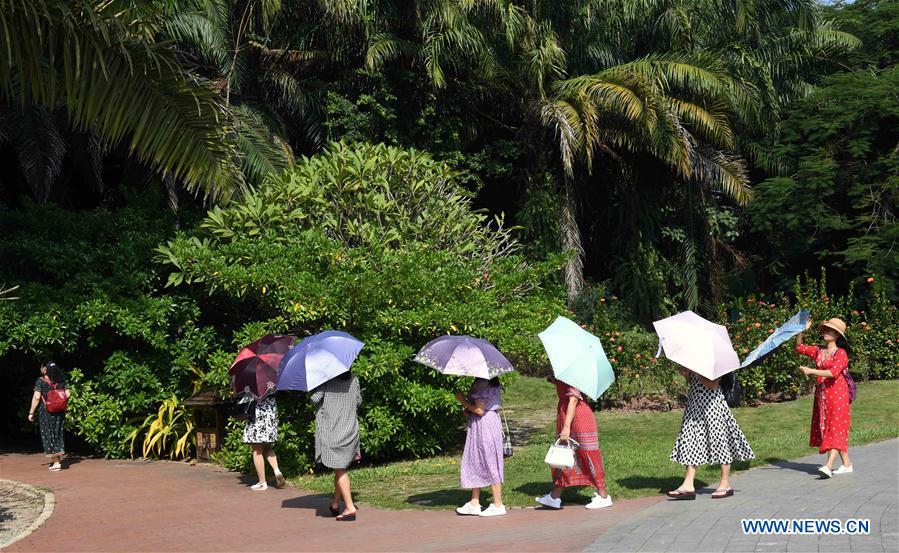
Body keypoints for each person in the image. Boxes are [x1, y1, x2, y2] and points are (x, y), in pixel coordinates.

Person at [666, 368, 754, 500]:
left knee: (720, 442)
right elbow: (694, 383)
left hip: (712, 406)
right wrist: (687, 375)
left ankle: (725, 484)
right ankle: (688, 485)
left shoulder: (712, 362)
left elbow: (713, 385)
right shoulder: (697, 360)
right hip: (695, 405)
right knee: (690, 440)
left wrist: (698, 372)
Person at [536, 377, 612, 510]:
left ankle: (603, 496)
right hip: (568, 415)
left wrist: (566, 426)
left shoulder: (574, 375)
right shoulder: (567, 373)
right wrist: (555, 380)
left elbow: (574, 399)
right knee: (565, 456)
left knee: (588, 456)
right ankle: (555, 496)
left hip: (578, 418)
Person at [795, 317, 852, 478]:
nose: (827, 332)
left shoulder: (841, 353)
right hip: (823, 395)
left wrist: (811, 371)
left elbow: (833, 373)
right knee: (830, 426)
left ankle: (828, 466)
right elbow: (799, 347)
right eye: (826, 329)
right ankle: (847, 464)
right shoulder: (819, 351)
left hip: (838, 394)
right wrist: (802, 330)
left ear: (837, 336)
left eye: (831, 330)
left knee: (834, 427)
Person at [311, 371, 363, 522]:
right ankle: (335, 504)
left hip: (332, 431)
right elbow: (358, 401)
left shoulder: (325, 380)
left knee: (339, 470)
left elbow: (314, 400)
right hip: (350, 429)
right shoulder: (354, 378)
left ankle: (349, 507)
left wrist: (316, 382)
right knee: (340, 468)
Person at [454, 377, 506, 517]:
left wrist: (462, 400)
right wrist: (468, 408)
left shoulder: (481, 384)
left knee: (488, 461)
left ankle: (498, 504)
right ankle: (474, 502)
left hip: (484, 425)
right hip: (490, 422)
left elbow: (480, 410)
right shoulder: (492, 381)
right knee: (476, 459)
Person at [28, 360, 70, 470]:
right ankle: (57, 460)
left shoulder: (41, 381)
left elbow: (36, 397)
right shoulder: (61, 379)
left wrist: (31, 412)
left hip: (46, 411)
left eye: (42, 367)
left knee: (48, 434)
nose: (40, 369)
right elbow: (68, 394)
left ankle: (56, 463)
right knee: (57, 433)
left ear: (45, 369)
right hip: (60, 411)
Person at [242, 393, 285, 491]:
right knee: (266, 446)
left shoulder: (253, 380)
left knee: (256, 449)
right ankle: (277, 470)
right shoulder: (273, 379)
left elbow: (247, 393)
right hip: (270, 412)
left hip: (257, 414)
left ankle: (262, 482)